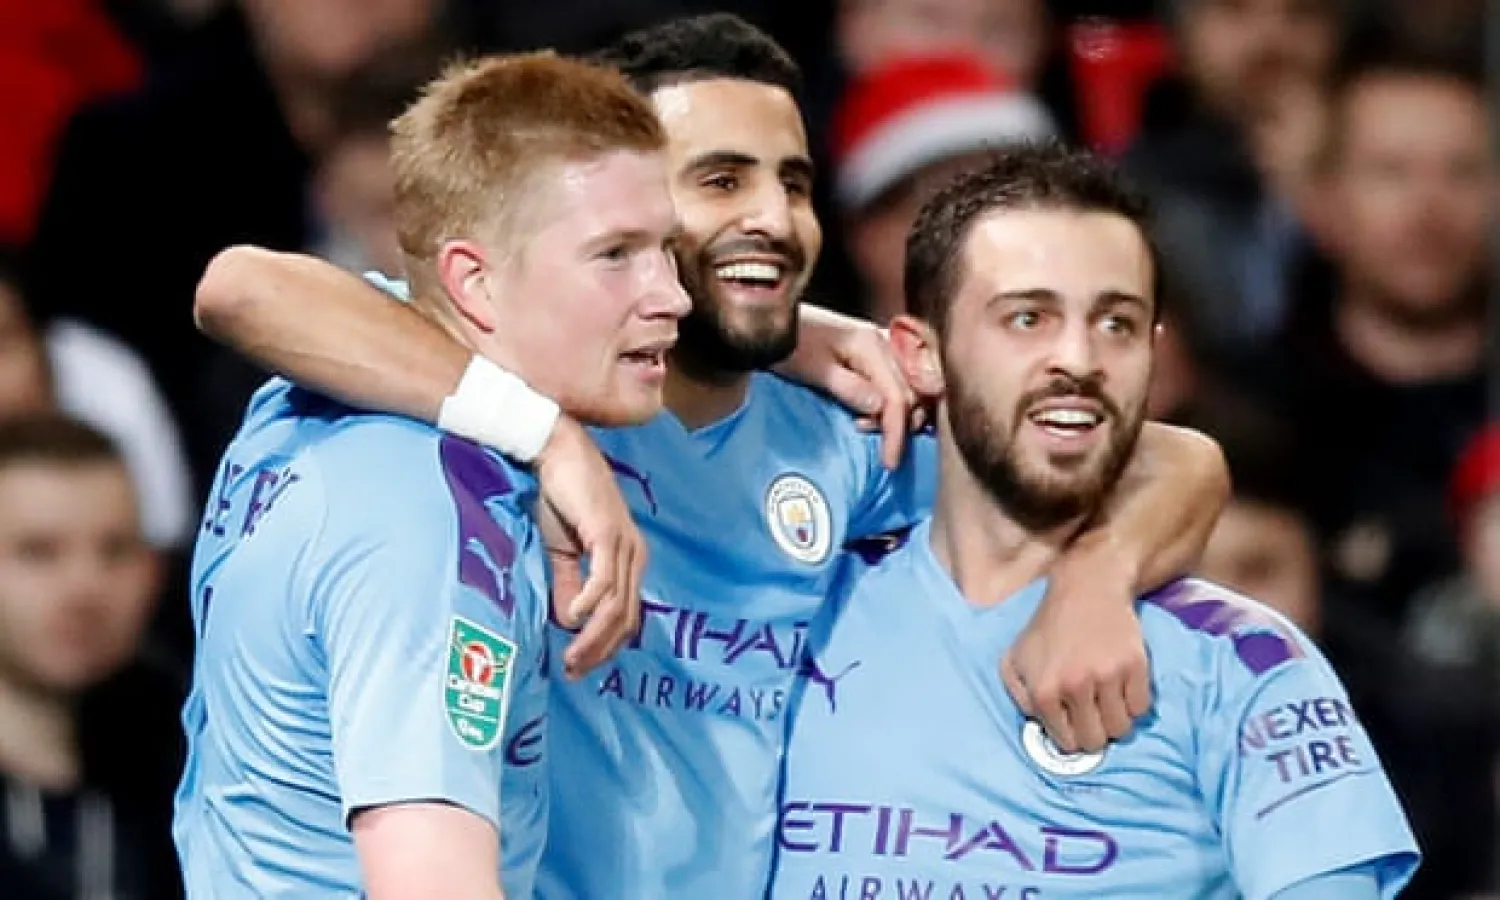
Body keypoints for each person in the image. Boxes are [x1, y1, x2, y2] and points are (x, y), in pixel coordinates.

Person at [189, 15, 1231, 897]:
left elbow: (1174, 461)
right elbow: (245, 287)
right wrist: (548, 438)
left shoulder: (848, 428)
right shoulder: (453, 408)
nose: (772, 218)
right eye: (720, 180)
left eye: (795, 182)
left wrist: (1095, 580)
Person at [773, 142, 1419, 900]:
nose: (1078, 359)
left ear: (1154, 356)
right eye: (1027, 318)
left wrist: (1100, 573)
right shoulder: (791, 609)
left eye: (1116, 324)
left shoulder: (1240, 663)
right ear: (922, 354)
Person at [172, 52, 688, 899]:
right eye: (615, 254)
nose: (672, 295)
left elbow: (254, 289)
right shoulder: (434, 521)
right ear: (473, 282)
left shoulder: (341, 376)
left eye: (666, 250)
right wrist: (553, 438)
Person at [0, 414, 178, 900]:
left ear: (153, 571)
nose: (85, 587)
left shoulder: (199, 768)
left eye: (115, 550)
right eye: (39, 552)